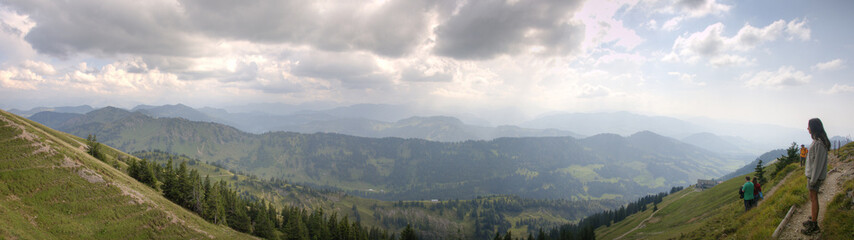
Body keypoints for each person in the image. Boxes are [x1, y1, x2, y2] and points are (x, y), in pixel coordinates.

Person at [801, 118, 829, 235]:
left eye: (809, 126)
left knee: (814, 199)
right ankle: (813, 219)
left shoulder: (819, 143)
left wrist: (813, 180)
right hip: (812, 176)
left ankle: (814, 225)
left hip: (814, 177)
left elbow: (818, 163)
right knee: (812, 198)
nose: (807, 128)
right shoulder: (818, 141)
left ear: (813, 128)